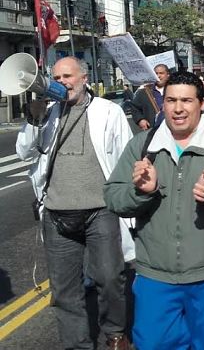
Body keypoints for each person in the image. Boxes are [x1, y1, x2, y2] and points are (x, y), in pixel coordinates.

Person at [104, 71, 204, 350]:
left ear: (202, 104)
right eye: (171, 100)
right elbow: (114, 196)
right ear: (162, 103)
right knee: (152, 343)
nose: (178, 109)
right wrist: (143, 191)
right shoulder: (142, 145)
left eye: (186, 101)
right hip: (156, 273)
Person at [16, 57, 133, 350]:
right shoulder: (48, 113)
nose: (62, 82)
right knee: (65, 290)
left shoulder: (109, 111)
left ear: (84, 78)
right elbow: (24, 153)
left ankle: (115, 332)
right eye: (56, 76)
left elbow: (125, 157)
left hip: (101, 210)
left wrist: (130, 203)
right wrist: (33, 120)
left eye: (67, 75)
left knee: (109, 278)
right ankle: (76, 344)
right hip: (57, 213)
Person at [130, 63, 170, 131]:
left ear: (168, 75)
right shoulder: (145, 92)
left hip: (172, 130)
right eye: (156, 73)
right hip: (152, 131)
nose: (158, 76)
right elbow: (134, 108)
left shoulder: (175, 90)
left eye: (161, 73)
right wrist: (140, 120)